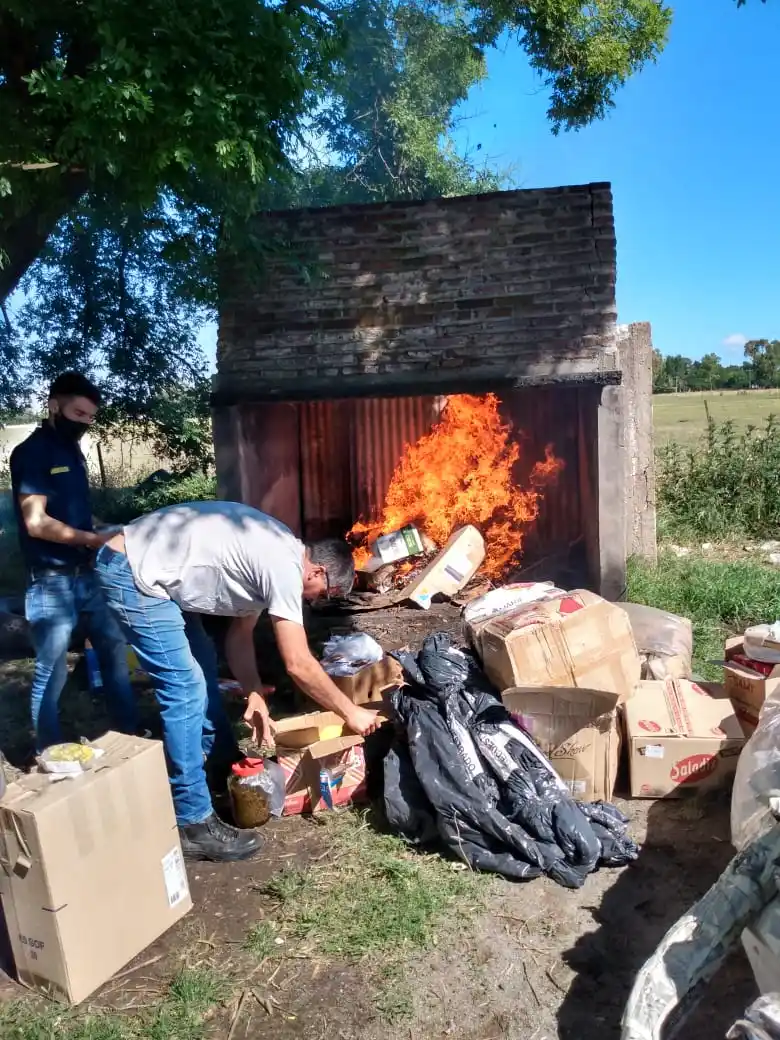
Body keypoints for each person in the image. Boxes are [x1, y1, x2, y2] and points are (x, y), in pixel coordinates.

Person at [93, 500, 381, 863]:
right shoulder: (283, 567)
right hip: (132, 571)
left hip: (149, 566)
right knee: (185, 688)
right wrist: (350, 711)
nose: (316, 603)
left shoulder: (277, 555)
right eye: (324, 595)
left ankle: (219, 762)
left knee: (202, 662)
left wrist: (254, 692)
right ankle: (192, 822)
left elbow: (239, 637)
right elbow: (298, 663)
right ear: (317, 572)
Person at [10, 372, 138, 751]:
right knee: (51, 672)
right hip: (51, 580)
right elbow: (36, 522)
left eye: (90, 417)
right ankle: (47, 751)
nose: (84, 423)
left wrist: (108, 529)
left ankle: (131, 738)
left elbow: (77, 515)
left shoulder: (72, 451)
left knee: (115, 655)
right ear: (54, 405)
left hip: (90, 575)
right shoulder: (32, 453)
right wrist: (94, 540)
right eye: (78, 413)